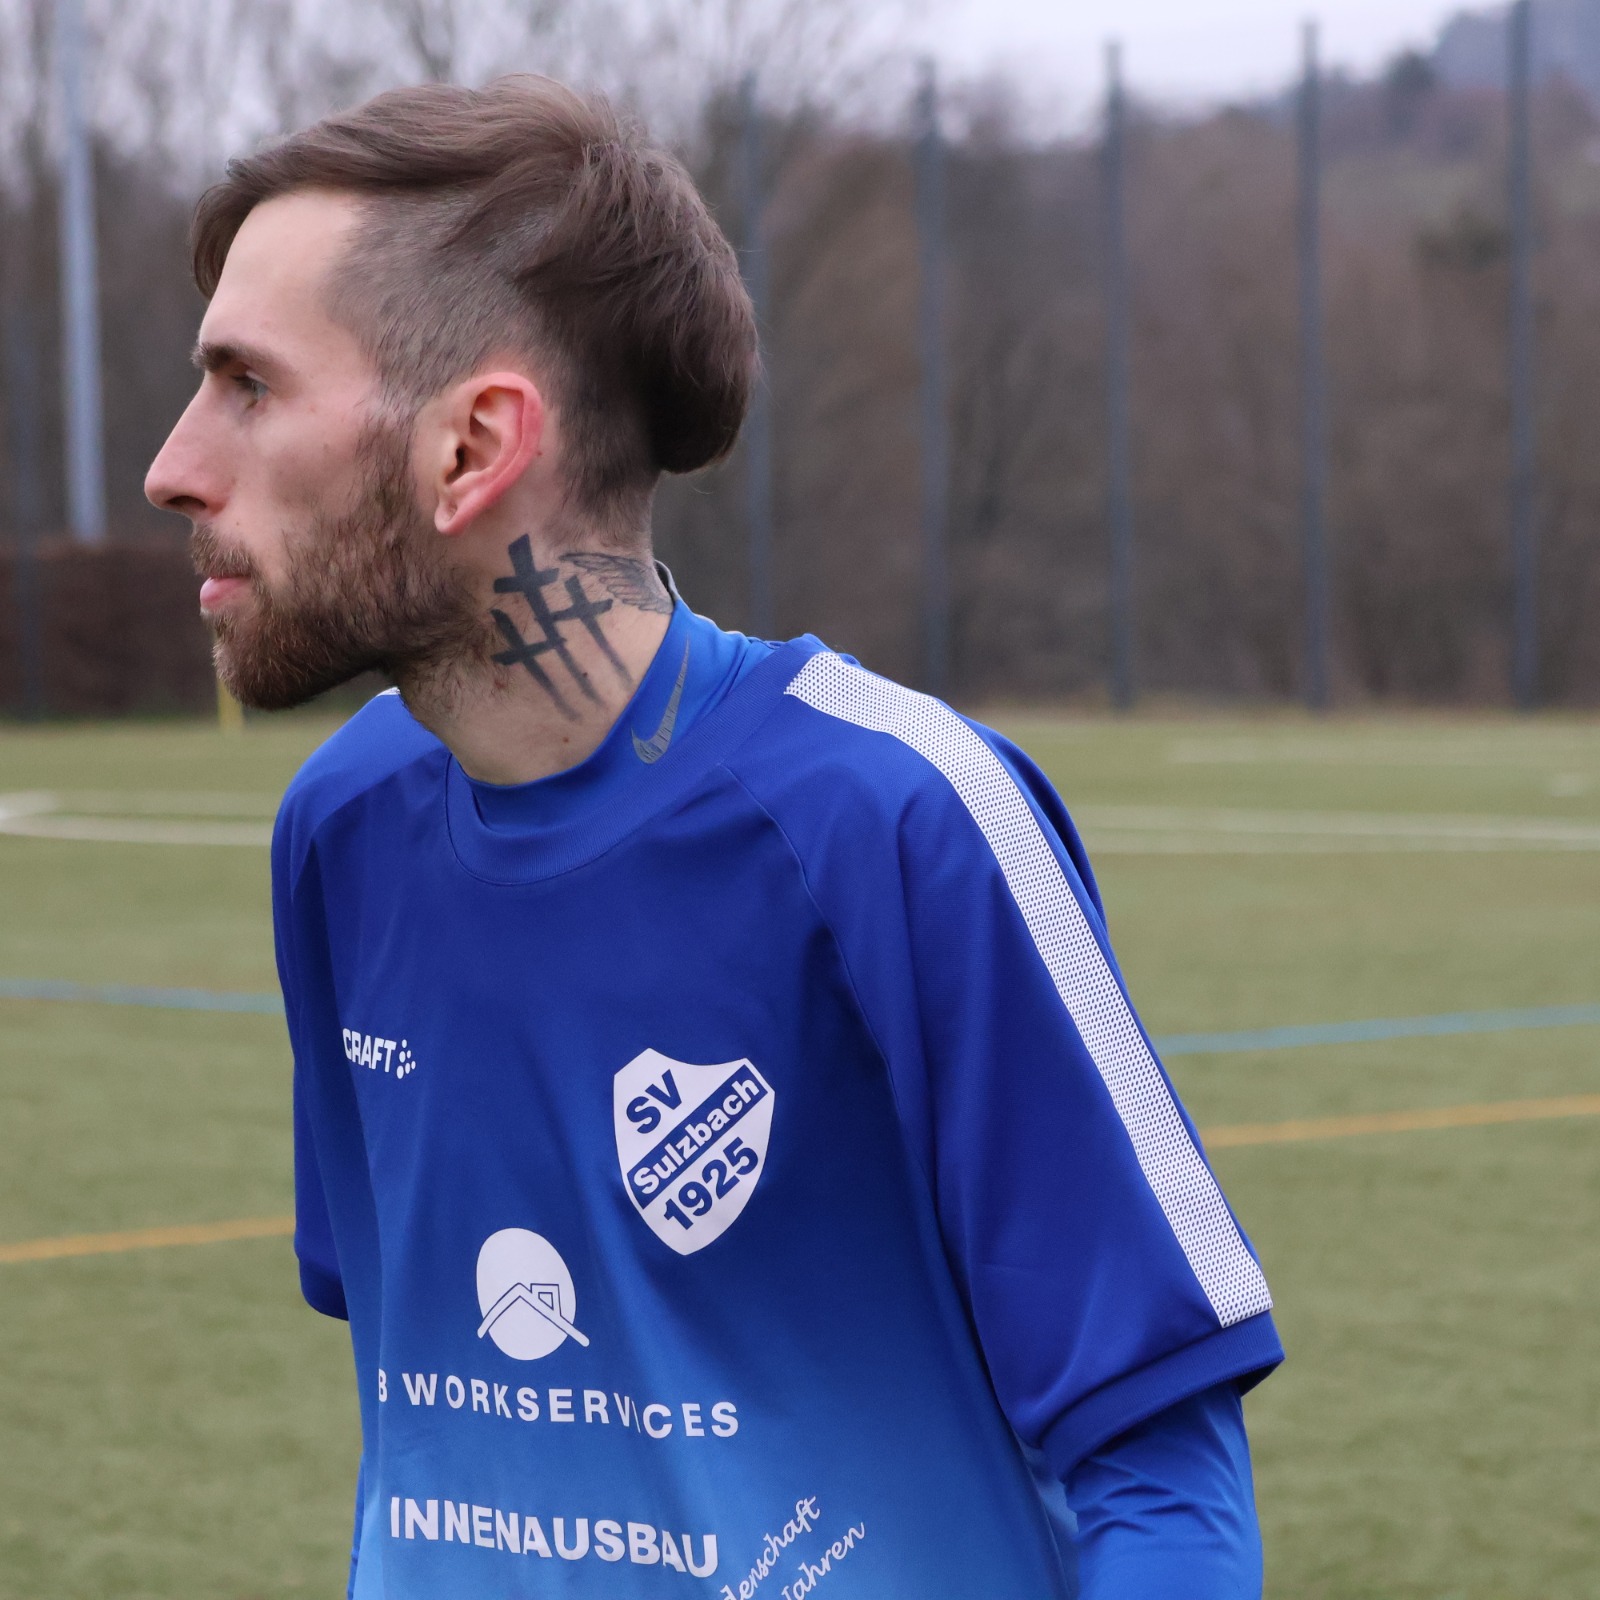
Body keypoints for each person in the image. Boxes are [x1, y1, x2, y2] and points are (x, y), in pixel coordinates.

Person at [146, 76, 1281, 1600]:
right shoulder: (339, 835)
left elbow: (1158, 1469)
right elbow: (442, 1391)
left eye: (247, 385)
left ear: (473, 445)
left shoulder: (900, 820)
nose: (174, 464)